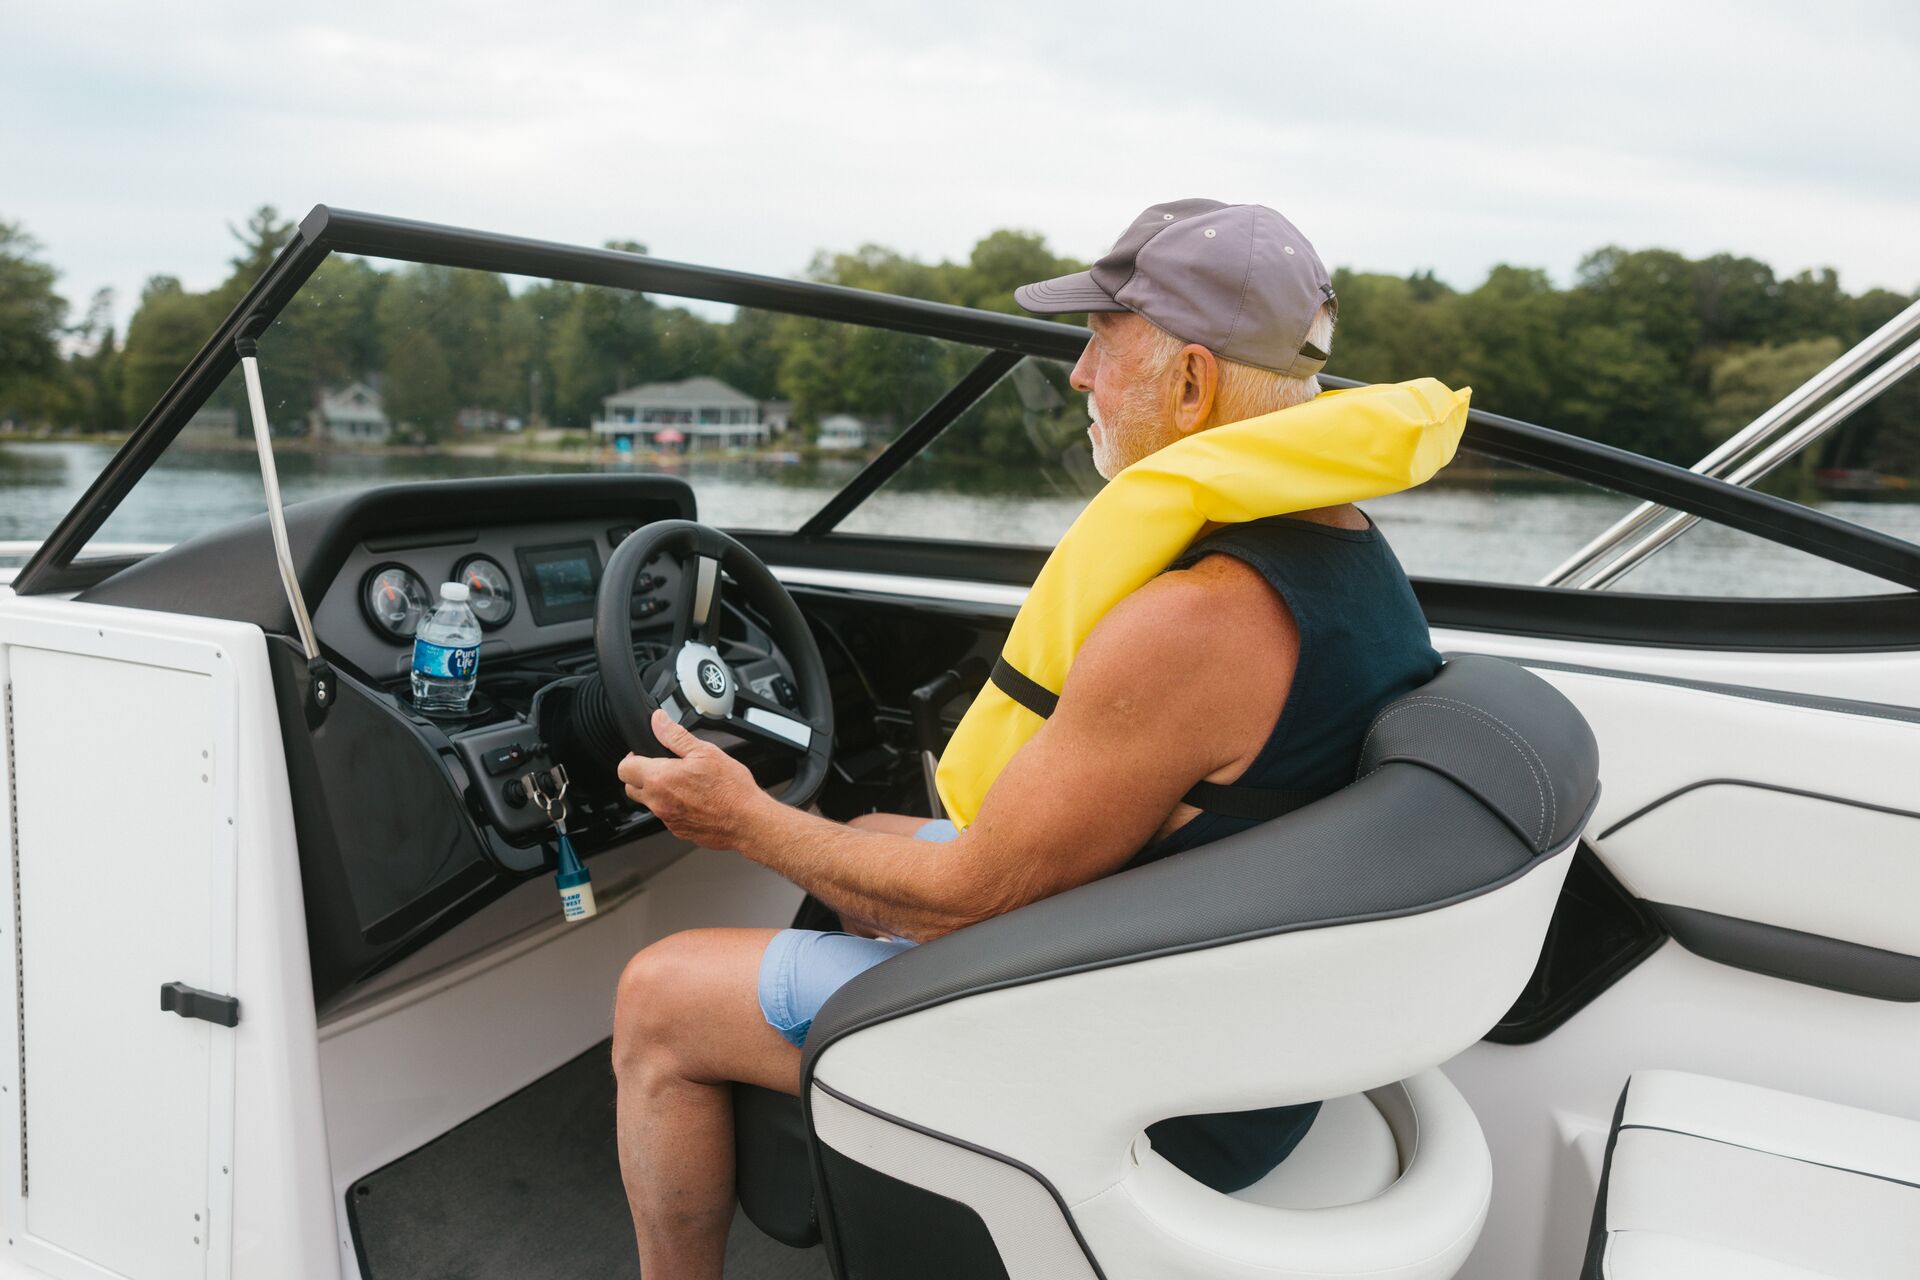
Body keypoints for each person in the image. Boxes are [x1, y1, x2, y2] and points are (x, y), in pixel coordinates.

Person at [610, 198, 1444, 1278]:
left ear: (1192, 382)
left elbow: (976, 893)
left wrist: (746, 818)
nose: (1079, 375)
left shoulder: (1204, 615)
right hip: (1230, 1022)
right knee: (869, 835)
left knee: (658, 991)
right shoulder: (1345, 548)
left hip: (1158, 1089)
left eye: (1103, 340)